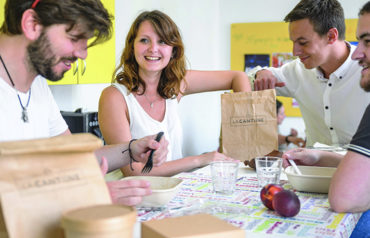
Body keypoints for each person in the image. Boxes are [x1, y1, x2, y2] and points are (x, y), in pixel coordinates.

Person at [0, 0, 169, 206]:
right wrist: (85, 195)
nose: (82, 54)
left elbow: (73, 158)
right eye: (74, 38)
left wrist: (132, 150)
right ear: (32, 24)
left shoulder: (38, 84)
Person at [98, 10, 251, 177]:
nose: (153, 49)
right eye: (144, 40)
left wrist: (242, 138)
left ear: (173, 50)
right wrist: (199, 160)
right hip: (131, 197)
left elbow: (238, 77)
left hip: (174, 194)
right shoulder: (114, 97)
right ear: (132, 46)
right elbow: (134, 171)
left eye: (162, 41)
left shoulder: (175, 86)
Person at [283, 2, 370, 238]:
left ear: (331, 36)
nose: (357, 53)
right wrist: (320, 156)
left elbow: (344, 196)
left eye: (367, 42)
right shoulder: (297, 72)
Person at [250, 0, 370, 147]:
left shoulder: (365, 71)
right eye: (293, 42)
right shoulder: (297, 70)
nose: (295, 52)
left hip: (360, 167)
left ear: (331, 36)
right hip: (310, 169)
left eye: (303, 42)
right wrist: (261, 73)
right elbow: (249, 79)